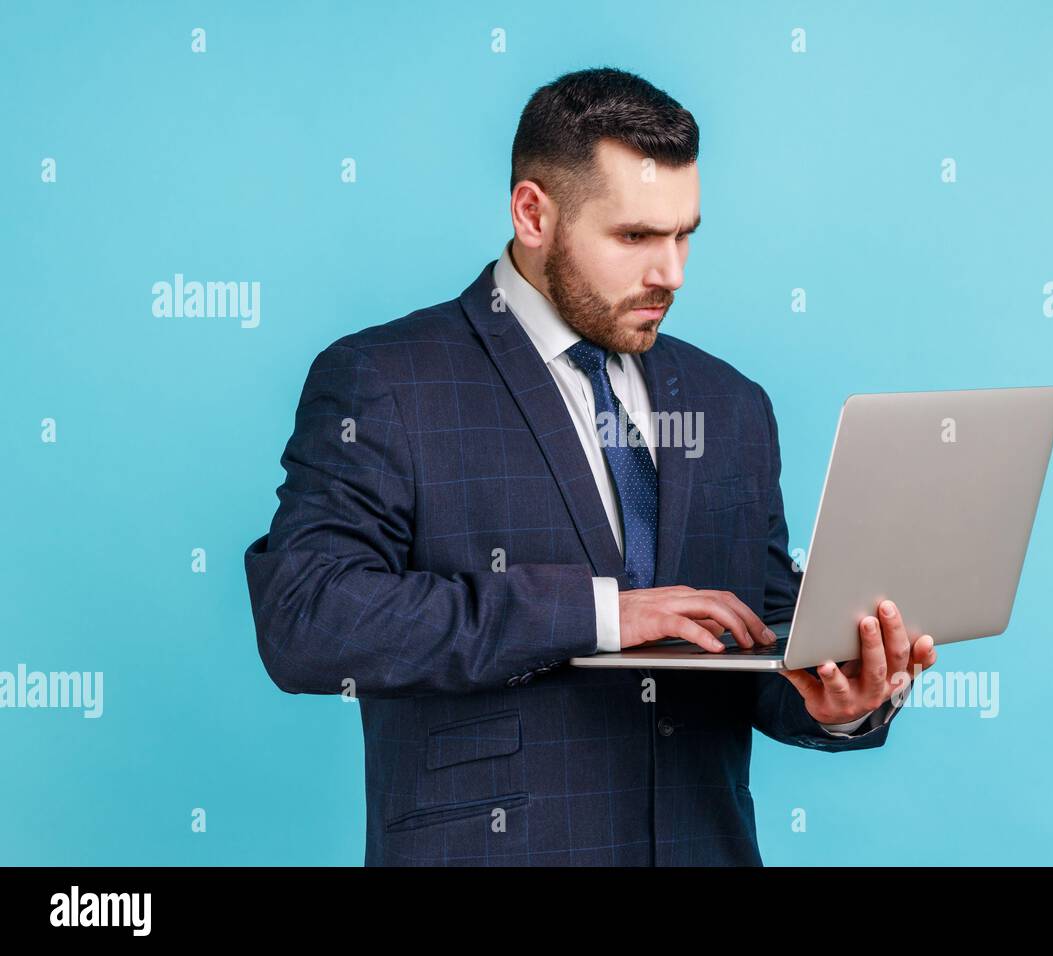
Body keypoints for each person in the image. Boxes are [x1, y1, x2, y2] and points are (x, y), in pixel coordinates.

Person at [244, 66, 938, 866]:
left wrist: (836, 702)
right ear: (533, 213)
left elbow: (757, 640)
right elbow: (307, 621)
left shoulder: (732, 403)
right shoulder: (389, 380)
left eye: (685, 235)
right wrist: (602, 615)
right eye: (636, 237)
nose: (670, 274)